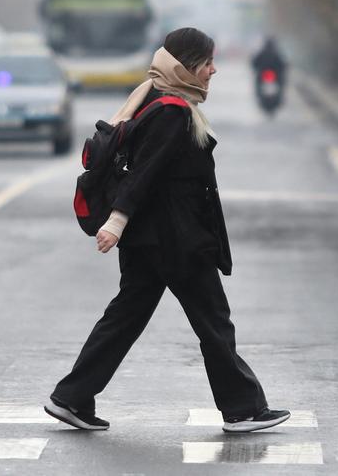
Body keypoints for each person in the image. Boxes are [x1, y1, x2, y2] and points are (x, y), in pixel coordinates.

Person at [44, 27, 290, 433]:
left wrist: (123, 225)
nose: (213, 70)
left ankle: (71, 397)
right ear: (188, 65)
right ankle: (243, 409)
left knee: (125, 318)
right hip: (176, 239)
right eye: (208, 63)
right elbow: (144, 173)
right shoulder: (172, 112)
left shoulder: (153, 95)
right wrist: (115, 222)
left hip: (150, 238)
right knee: (213, 321)